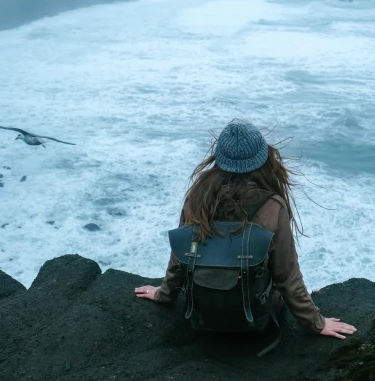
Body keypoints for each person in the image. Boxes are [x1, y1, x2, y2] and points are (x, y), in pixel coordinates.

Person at [135, 119, 357, 340]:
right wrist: (316, 323)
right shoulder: (272, 205)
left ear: (219, 158)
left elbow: (180, 259)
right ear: (264, 159)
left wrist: (163, 295)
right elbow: (287, 276)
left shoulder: (197, 196)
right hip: (255, 320)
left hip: (202, 315)